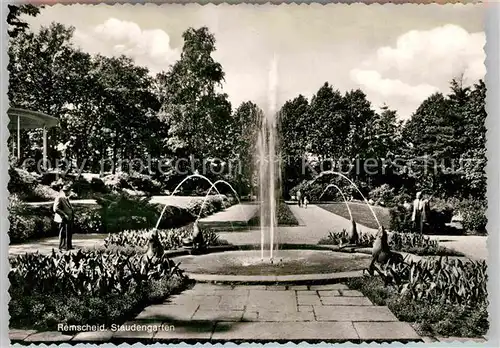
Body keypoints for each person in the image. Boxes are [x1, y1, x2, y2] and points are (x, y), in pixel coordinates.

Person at [53, 182, 74, 251]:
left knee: (69, 232)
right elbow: (55, 208)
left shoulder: (66, 198)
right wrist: (64, 214)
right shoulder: (59, 198)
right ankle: (62, 247)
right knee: (63, 233)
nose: (68, 192)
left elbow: (68, 208)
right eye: (66, 191)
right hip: (63, 219)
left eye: (68, 191)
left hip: (69, 218)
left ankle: (68, 246)